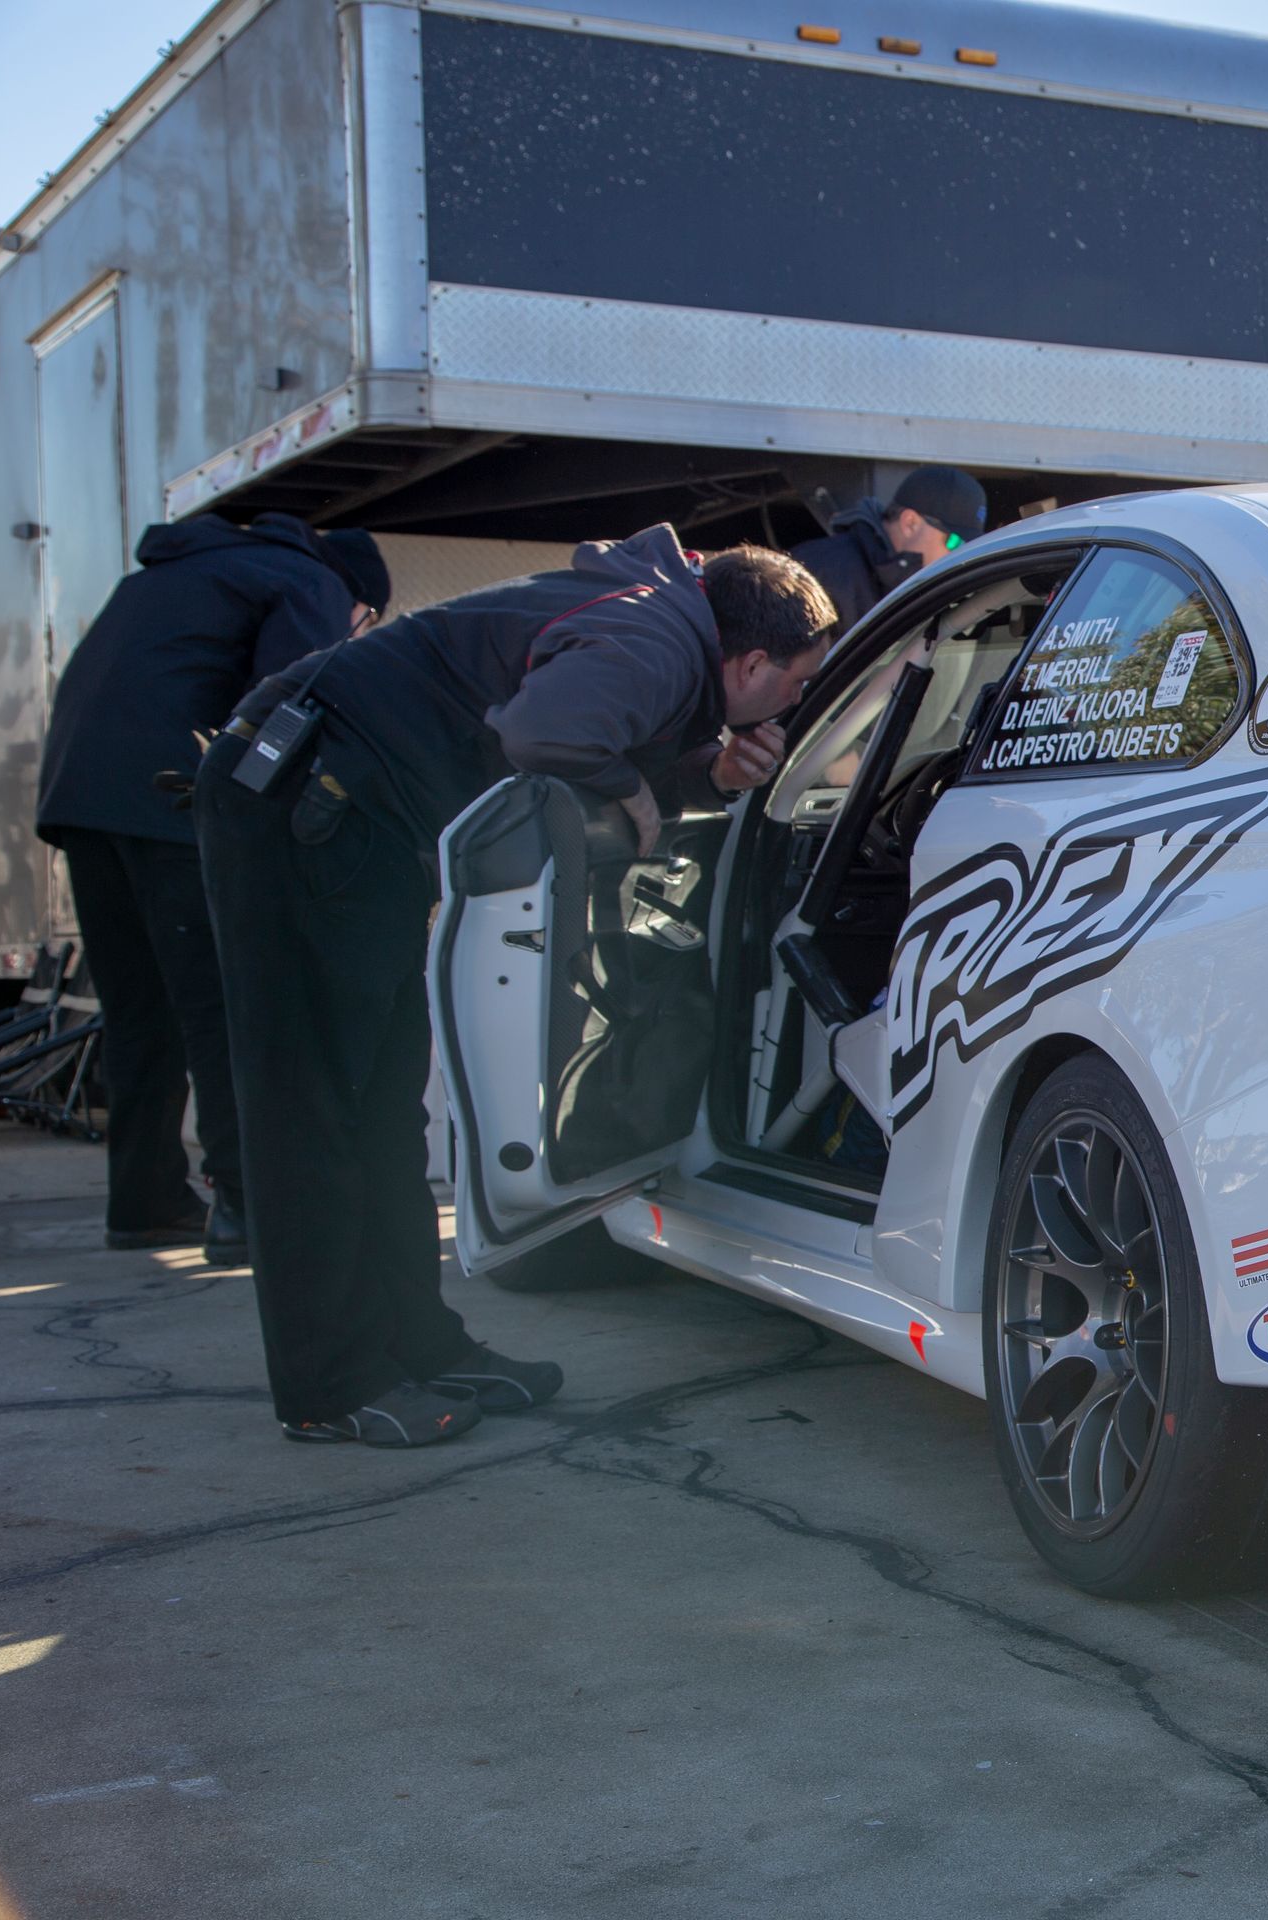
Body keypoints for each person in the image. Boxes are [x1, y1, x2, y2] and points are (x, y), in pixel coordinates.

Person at [195, 529, 834, 1450]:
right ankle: (330, 1385)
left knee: (379, 1106)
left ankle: (417, 1343)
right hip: (299, 798)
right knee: (316, 1108)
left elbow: (561, 714)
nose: (797, 700)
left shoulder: (662, 631)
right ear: (750, 660)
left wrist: (695, 770)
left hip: (344, 810)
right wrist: (634, 788)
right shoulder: (656, 640)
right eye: (798, 680)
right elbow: (544, 734)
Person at [34, 514, 389, 1264]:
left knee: (138, 1010)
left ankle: (144, 1201)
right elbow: (294, 702)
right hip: (167, 798)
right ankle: (246, 1203)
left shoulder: (178, 570)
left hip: (79, 796)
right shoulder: (311, 581)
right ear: (357, 596)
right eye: (365, 621)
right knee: (226, 1004)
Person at [790, 465, 987, 628]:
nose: (961, 556)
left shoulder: (920, 588)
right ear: (910, 523)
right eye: (955, 543)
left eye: (969, 547)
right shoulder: (820, 573)